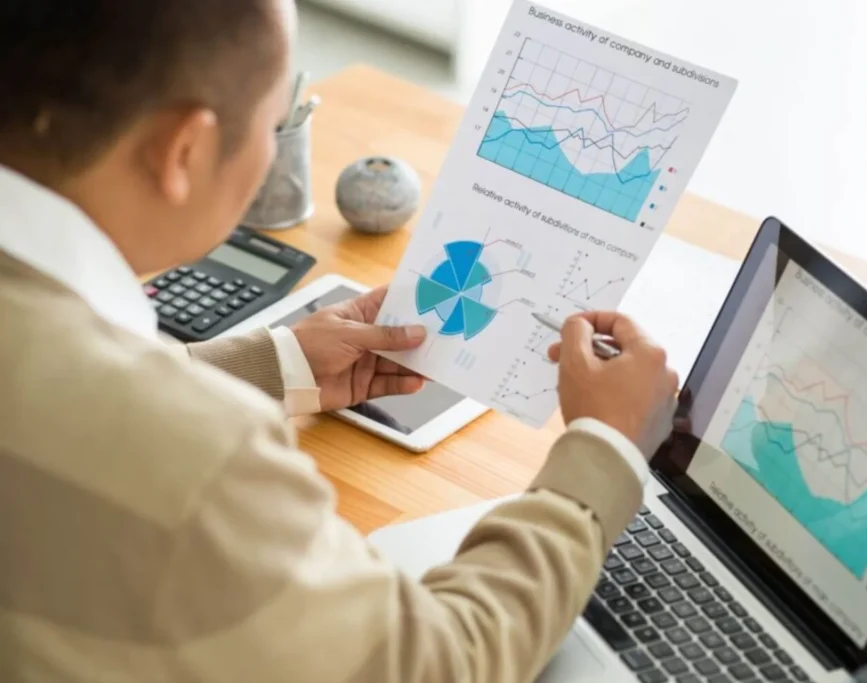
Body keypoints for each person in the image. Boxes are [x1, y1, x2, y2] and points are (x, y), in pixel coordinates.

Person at [0, 2, 679, 682]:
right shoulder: (201, 465)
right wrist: (601, 453)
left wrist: (275, 365)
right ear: (185, 151)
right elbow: (441, 663)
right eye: (274, 124)